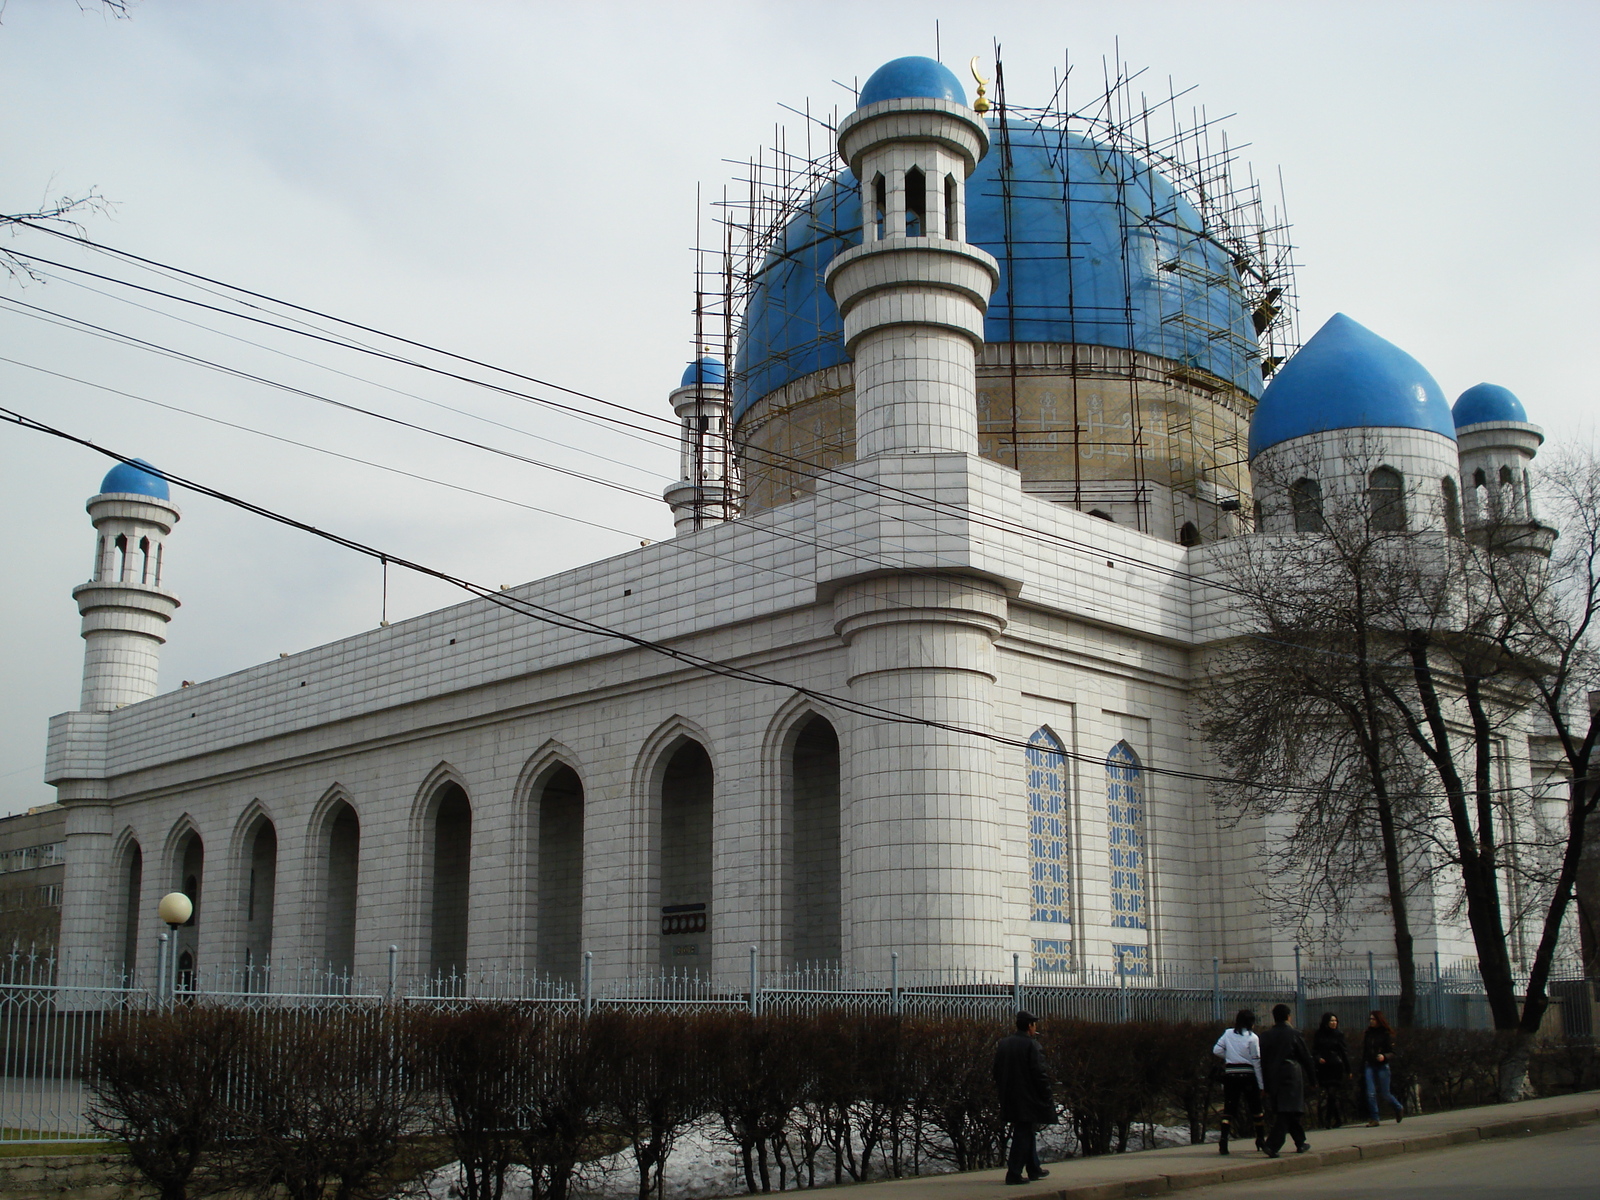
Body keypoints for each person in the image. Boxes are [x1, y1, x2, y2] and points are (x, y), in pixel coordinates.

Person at [993, 1010, 1056, 1185]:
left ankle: (1034, 1168)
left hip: (1009, 1095)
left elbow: (996, 1070)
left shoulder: (1004, 1043)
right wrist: (1047, 1095)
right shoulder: (1032, 1045)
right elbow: (1039, 1073)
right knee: (1023, 1133)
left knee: (1026, 1130)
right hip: (1028, 1097)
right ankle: (1013, 1173)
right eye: (1034, 1025)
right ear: (1030, 1026)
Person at [1258, 1003, 1317, 1157]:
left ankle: (1300, 1142)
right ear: (1288, 1017)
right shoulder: (1294, 1034)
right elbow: (1306, 1058)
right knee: (1287, 1112)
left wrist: (1264, 1083)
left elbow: (1262, 1061)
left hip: (1273, 1077)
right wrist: (1313, 1080)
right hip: (1291, 1076)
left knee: (1290, 1111)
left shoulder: (1266, 1036)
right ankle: (1272, 1145)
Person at [1211, 1008, 1265, 1155]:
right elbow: (1256, 1061)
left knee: (1229, 1108)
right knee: (1255, 1108)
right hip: (1248, 1075)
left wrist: (1229, 1057)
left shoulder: (1228, 1033)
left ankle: (1223, 1140)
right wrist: (1261, 1084)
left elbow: (1216, 1050)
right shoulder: (1253, 1038)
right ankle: (1260, 1138)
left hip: (1231, 1075)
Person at [1362, 1010, 1405, 1125]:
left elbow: (1393, 1052)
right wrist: (1364, 1062)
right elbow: (1365, 1050)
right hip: (1370, 1065)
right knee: (1370, 1092)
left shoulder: (1386, 1034)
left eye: (1373, 1019)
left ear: (1379, 1020)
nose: (1371, 1021)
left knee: (1385, 1093)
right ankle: (1375, 1118)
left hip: (1382, 1066)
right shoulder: (1368, 1033)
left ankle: (1398, 1107)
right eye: (1370, 1019)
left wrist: (1384, 1056)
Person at [1311, 1013, 1351, 1129]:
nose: (1334, 1023)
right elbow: (1315, 1050)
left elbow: (1344, 1052)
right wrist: (1318, 1058)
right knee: (1329, 1094)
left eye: (1335, 1021)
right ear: (1326, 1022)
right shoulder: (1319, 1034)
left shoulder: (1339, 1034)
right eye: (1331, 1021)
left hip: (1335, 1067)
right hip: (1324, 1068)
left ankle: (1328, 1120)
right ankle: (1338, 1119)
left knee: (1332, 1093)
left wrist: (1348, 1069)